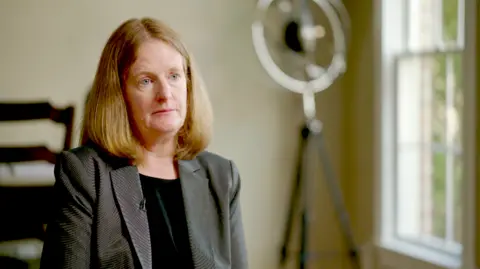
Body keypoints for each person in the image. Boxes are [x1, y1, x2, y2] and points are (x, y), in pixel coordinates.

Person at [40, 17, 248, 269]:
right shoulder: (83, 174)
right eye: (146, 81)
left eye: (174, 76)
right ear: (119, 94)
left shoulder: (222, 176)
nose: (165, 94)